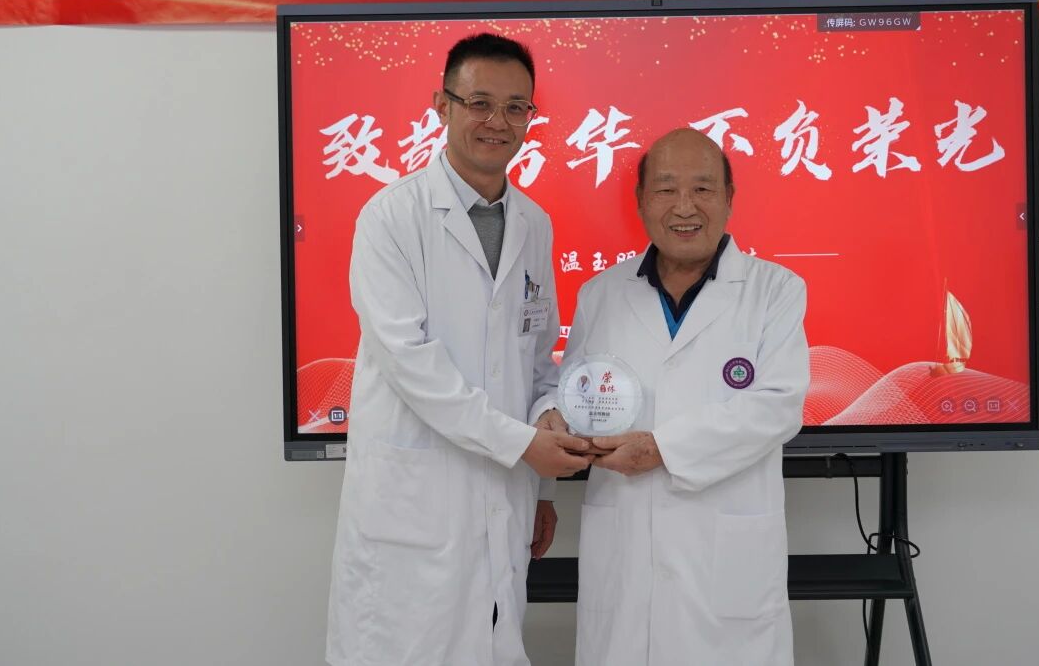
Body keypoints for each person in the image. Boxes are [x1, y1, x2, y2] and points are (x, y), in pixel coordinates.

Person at [327, 33, 592, 666]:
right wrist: (520, 446)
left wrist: (542, 483)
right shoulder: (391, 217)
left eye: (516, 107)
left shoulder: (533, 223)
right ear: (441, 105)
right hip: (416, 503)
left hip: (506, 492)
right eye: (479, 102)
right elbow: (411, 364)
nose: (497, 121)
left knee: (494, 644)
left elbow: (537, 360)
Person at [538, 128, 811, 666]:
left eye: (703, 189)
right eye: (665, 189)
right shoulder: (601, 293)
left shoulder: (775, 290)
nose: (684, 207)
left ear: (729, 198)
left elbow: (778, 405)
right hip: (625, 546)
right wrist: (551, 433)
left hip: (723, 560)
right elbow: (571, 394)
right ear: (641, 201)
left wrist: (662, 448)